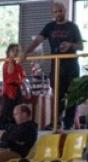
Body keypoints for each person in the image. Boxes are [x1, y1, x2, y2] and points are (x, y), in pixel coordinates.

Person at [22, 2, 82, 130]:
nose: (58, 14)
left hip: (71, 67)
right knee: (57, 95)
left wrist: (70, 45)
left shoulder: (73, 27)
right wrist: (26, 53)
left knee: (72, 96)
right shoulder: (49, 26)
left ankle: (68, 123)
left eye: (60, 11)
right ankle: (56, 122)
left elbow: (81, 46)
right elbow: (37, 40)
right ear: (52, 13)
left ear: (64, 11)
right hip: (57, 67)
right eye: (55, 12)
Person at [0, 44, 26, 128]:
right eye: (13, 51)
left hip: (17, 89)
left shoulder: (19, 65)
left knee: (19, 108)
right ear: (8, 52)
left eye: (17, 51)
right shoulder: (6, 63)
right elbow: (10, 72)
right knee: (7, 109)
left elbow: (23, 78)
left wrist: (26, 89)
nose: (16, 52)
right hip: (9, 89)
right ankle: (3, 126)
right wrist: (11, 61)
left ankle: (18, 125)